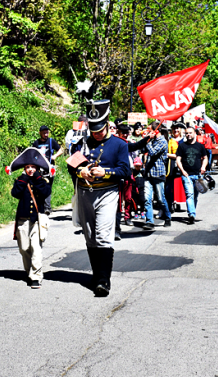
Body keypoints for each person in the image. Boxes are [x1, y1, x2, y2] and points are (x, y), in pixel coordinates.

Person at [67, 98, 130, 297]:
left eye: (100, 129)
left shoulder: (119, 144)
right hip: (86, 192)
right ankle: (96, 274)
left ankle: (104, 280)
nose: (97, 133)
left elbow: (125, 171)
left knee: (103, 235)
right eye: (93, 130)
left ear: (107, 123)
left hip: (108, 191)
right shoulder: (82, 143)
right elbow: (71, 165)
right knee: (90, 235)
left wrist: (106, 173)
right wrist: (81, 172)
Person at [10, 149, 52, 289]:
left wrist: (37, 178)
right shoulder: (20, 180)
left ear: (37, 168)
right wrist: (24, 179)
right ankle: (29, 272)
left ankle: (36, 276)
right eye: (27, 167)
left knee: (36, 247)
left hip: (37, 220)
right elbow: (15, 193)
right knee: (24, 248)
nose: (30, 169)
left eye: (33, 167)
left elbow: (46, 192)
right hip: (22, 219)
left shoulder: (41, 180)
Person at [142, 120, 171, 231]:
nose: (149, 132)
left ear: (156, 131)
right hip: (148, 173)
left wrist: (147, 142)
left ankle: (167, 216)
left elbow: (153, 152)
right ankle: (149, 221)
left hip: (158, 174)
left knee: (160, 198)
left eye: (150, 130)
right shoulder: (151, 141)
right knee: (147, 198)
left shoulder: (163, 142)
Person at [176, 126, 208, 224]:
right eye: (186, 133)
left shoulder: (200, 146)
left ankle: (191, 211)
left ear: (194, 133)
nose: (188, 135)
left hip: (198, 175)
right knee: (189, 194)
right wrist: (182, 170)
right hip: (186, 175)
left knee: (195, 196)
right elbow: (178, 159)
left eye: (190, 133)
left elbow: (205, 158)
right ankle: (192, 214)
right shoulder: (182, 146)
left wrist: (203, 167)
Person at [32, 125, 63, 215]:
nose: (46, 134)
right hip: (39, 168)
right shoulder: (36, 143)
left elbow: (60, 150)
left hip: (49, 168)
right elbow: (33, 154)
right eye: (44, 133)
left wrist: (55, 156)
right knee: (39, 187)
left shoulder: (51, 141)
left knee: (48, 187)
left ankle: (47, 208)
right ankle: (40, 206)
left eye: (47, 132)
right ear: (40, 133)